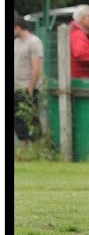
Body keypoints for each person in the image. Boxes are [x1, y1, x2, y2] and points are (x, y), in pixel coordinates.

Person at [13, 17, 44, 146]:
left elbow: (36, 68)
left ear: (18, 27)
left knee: (31, 120)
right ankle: (23, 151)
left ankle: (39, 150)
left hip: (28, 88)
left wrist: (30, 89)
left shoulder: (34, 42)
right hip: (16, 87)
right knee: (18, 122)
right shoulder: (16, 42)